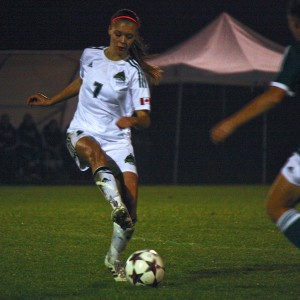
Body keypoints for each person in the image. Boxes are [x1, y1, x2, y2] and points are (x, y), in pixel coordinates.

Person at [27, 8, 162, 281]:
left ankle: (113, 258)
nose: (123, 40)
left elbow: (146, 118)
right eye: (119, 34)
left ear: (135, 39)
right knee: (94, 153)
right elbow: (82, 81)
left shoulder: (135, 73)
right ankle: (116, 206)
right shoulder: (89, 54)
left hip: (118, 139)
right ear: (110, 31)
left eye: (129, 37)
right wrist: (52, 100)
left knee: (133, 205)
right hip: (83, 129)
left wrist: (134, 120)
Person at [210, 0, 300, 249]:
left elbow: (274, 95)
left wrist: (231, 122)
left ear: (293, 22)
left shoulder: (297, 51)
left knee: (277, 205)